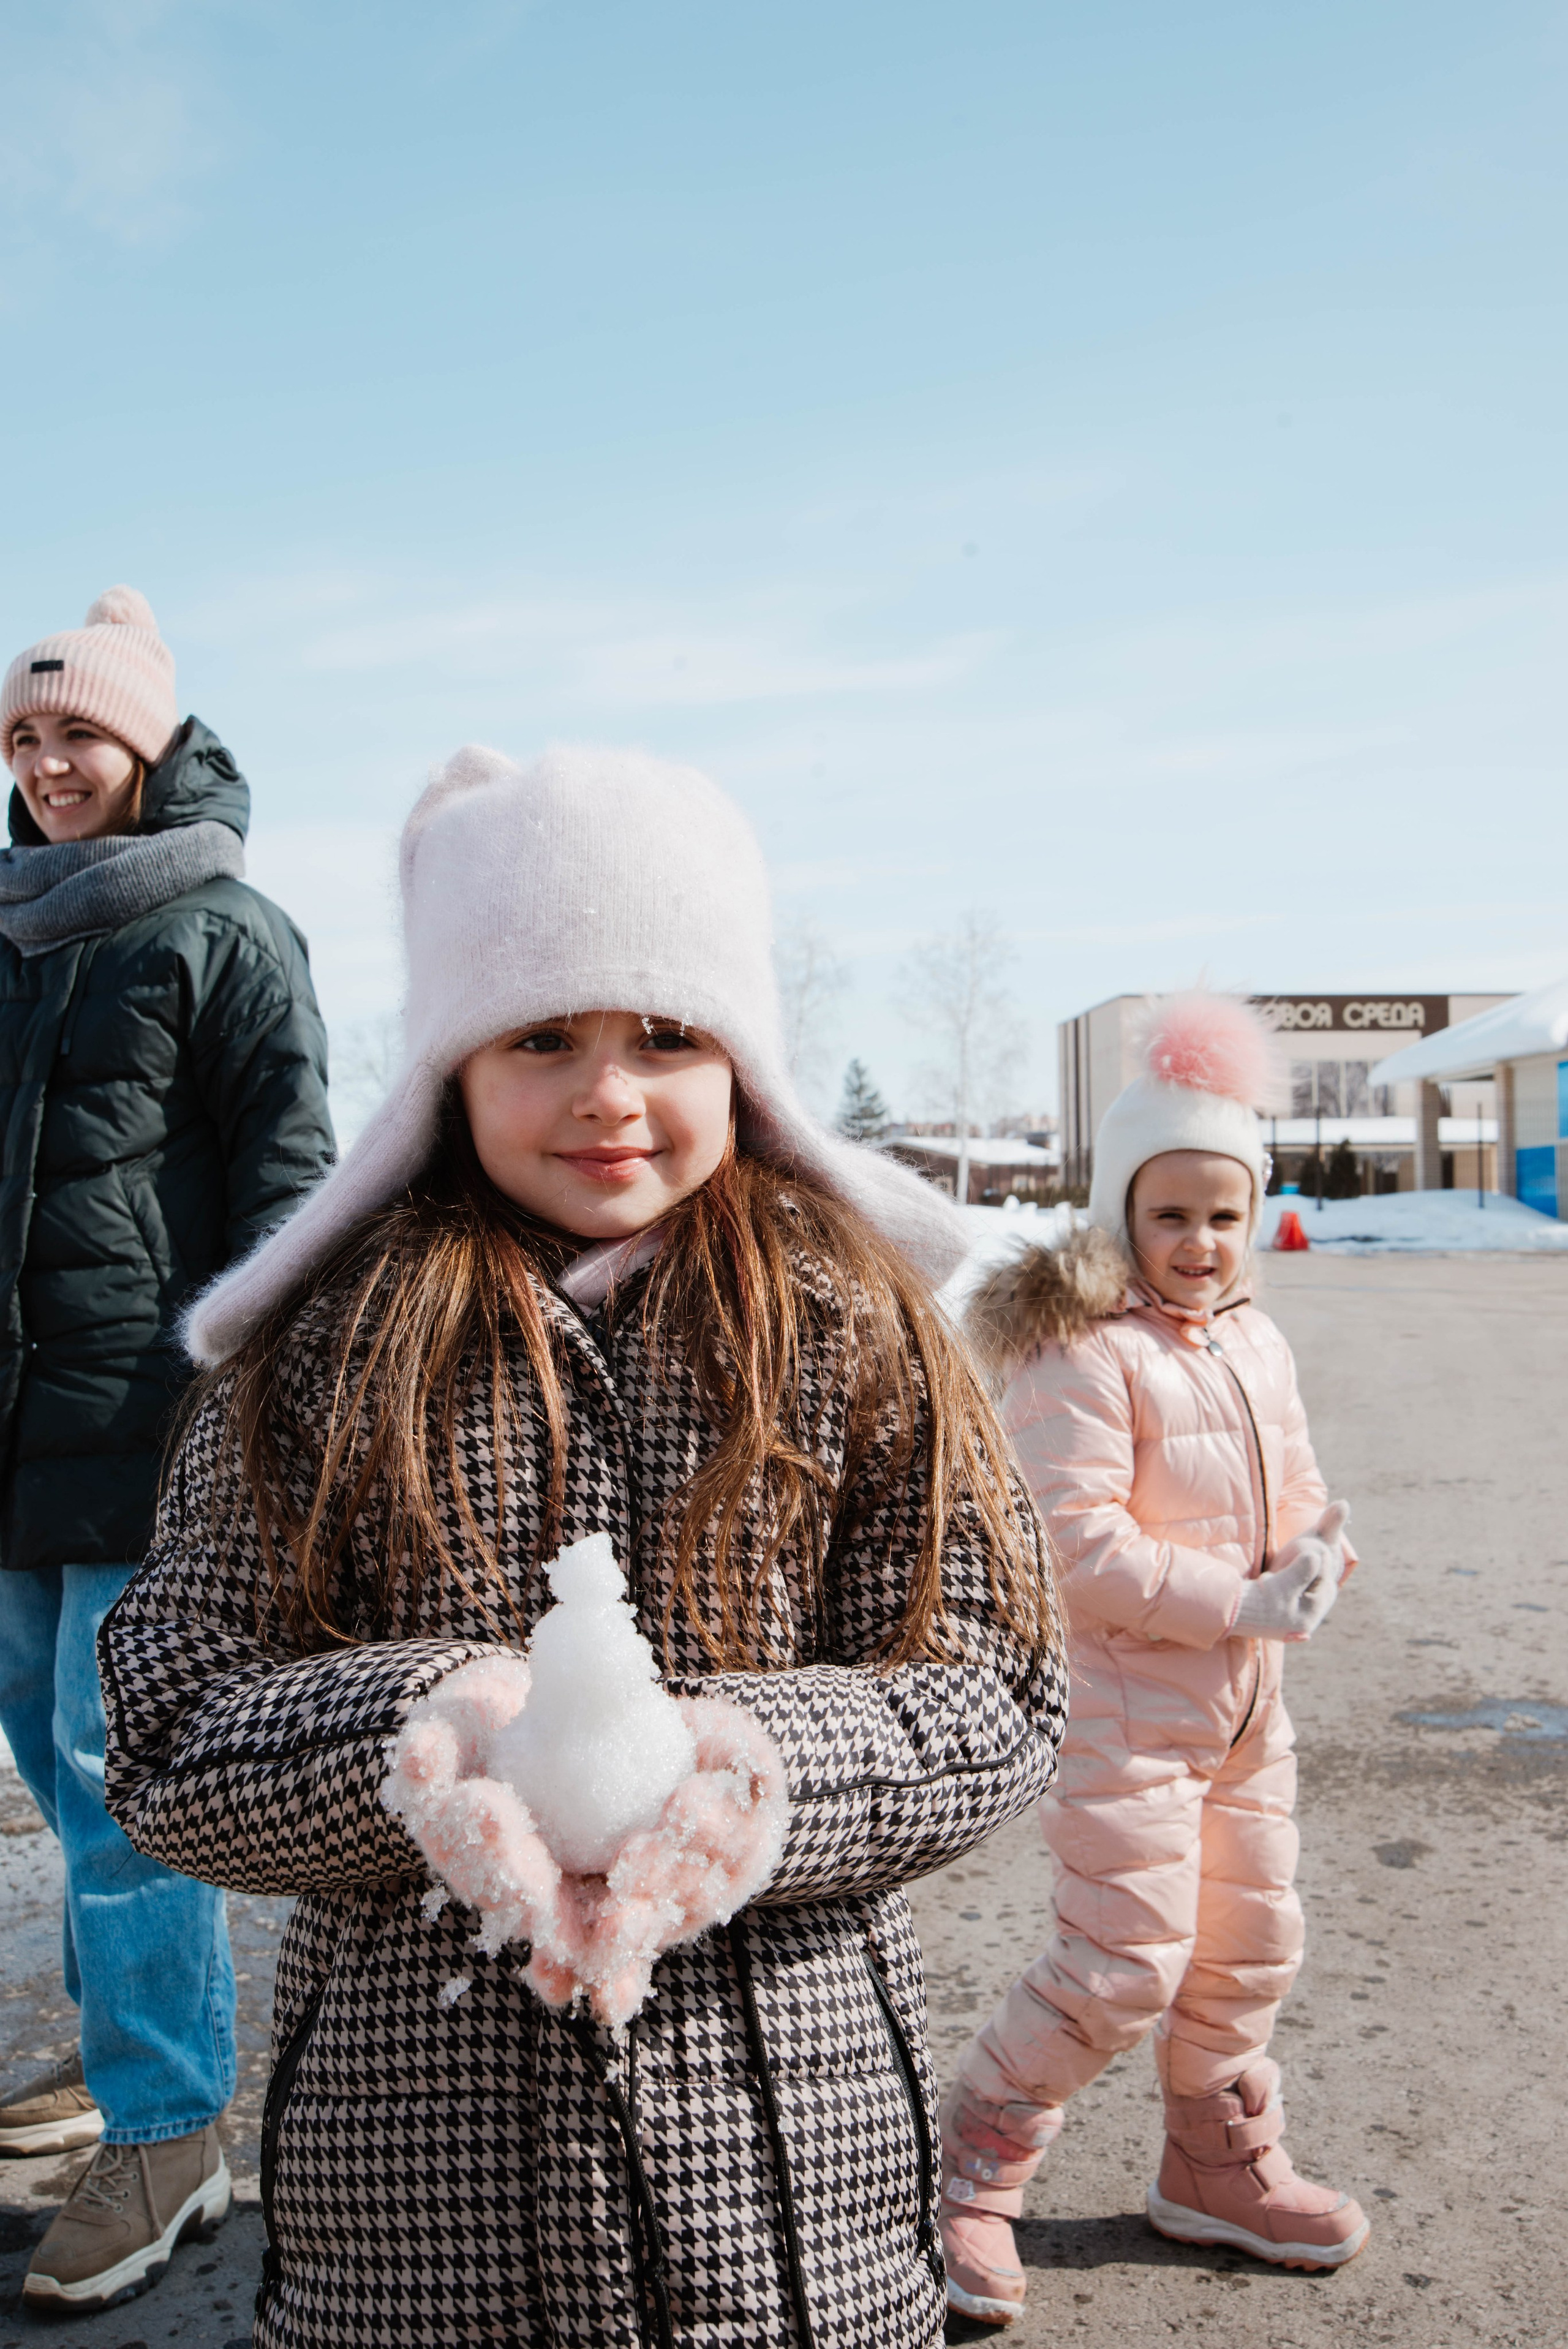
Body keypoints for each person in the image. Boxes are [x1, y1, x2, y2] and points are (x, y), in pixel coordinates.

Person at [99, 741, 1068, 2349]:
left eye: (666, 1035)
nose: (608, 1090)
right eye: (543, 1035)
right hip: (413, 2201)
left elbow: (997, 1689)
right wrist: (428, 1737)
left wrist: (748, 1763)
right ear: (450, 1070)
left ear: (743, 1062)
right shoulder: (324, 1345)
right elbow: (166, 1720)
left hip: (787, 2196)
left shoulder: (856, 1325)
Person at [0, 588, 335, 2313]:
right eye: (26, 736)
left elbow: (293, 1186)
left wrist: (261, 1406)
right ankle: (136, 2059)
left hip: (150, 1430)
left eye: (81, 733)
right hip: (10, 1448)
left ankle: (172, 2124)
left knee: (126, 1788)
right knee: (64, 1787)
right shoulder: (10, 932)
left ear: (149, 744)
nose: (52, 764)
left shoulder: (226, 931)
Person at [940, 992, 1369, 2326]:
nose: (1197, 1241)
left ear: (1253, 1217)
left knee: (1246, 1943)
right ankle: (969, 2166)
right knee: (1121, 1960)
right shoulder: (1082, 1351)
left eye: (1222, 1214)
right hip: (1124, 1711)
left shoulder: (1255, 1339)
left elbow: (1294, 1488)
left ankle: (1211, 2162)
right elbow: (1073, 1547)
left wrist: (1313, 1560)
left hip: (1246, 1712)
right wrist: (1238, 1602)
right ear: (1119, 1210)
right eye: (1168, 1212)